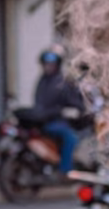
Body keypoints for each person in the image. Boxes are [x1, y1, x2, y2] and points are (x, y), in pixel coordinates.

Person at [33, 46, 85, 174]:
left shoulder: (50, 81)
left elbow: (73, 99)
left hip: (51, 119)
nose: (48, 67)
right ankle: (66, 171)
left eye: (51, 64)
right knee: (71, 137)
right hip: (50, 121)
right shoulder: (50, 82)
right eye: (46, 64)